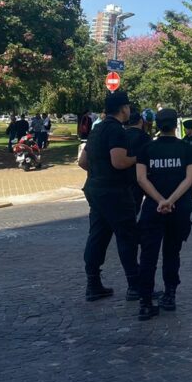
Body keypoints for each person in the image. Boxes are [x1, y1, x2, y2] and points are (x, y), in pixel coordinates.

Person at [135, 108, 192, 320]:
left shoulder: (146, 149)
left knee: (148, 256)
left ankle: (145, 302)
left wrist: (159, 200)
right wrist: (171, 201)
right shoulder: (187, 149)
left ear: (157, 125)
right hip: (178, 209)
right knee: (172, 253)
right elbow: (190, 178)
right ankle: (170, 295)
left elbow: (141, 179)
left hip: (152, 209)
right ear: (175, 125)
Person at [78, 91, 139, 302]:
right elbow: (119, 162)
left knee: (98, 235)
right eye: (128, 107)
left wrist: (99, 172)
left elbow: (82, 162)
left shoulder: (97, 129)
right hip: (115, 192)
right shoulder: (117, 130)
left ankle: (93, 284)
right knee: (127, 236)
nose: (129, 110)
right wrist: (138, 158)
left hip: (95, 190)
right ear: (123, 109)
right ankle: (135, 285)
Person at [124, 109, 152, 217]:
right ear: (140, 121)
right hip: (140, 175)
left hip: (123, 175)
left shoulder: (122, 135)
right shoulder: (145, 137)